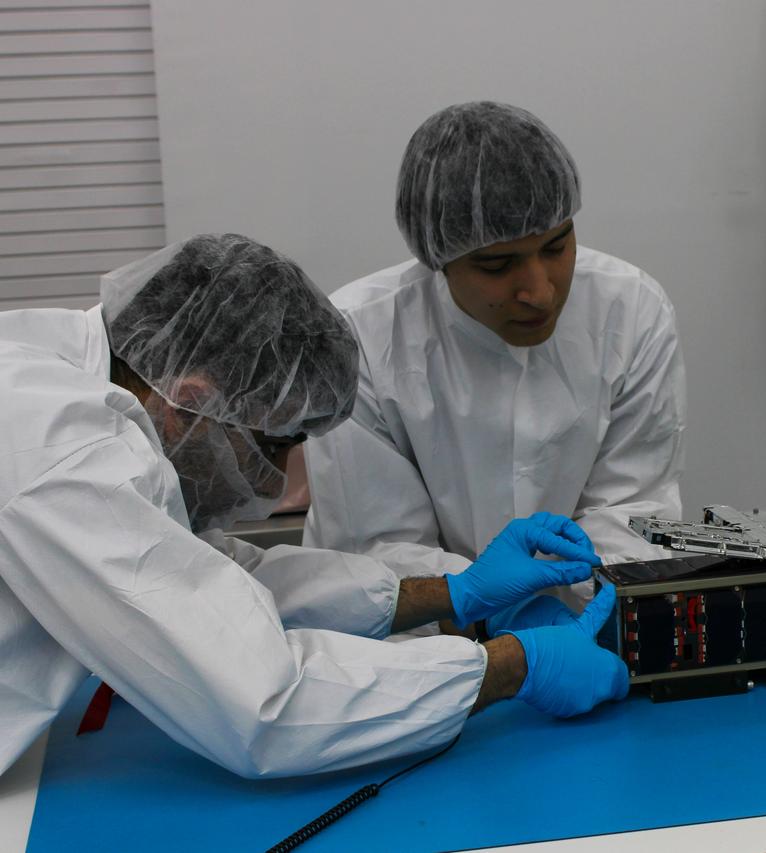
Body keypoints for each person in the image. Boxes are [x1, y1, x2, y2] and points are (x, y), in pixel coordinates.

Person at [0, 234, 627, 779]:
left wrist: (453, 592)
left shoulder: (72, 380)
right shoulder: (63, 452)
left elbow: (217, 582)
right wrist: (514, 665)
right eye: (274, 445)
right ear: (188, 400)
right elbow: (265, 707)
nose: (276, 484)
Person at [303, 102, 686, 607]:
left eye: (556, 247)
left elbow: (634, 511)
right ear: (437, 257)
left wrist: (582, 617)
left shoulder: (630, 309)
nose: (540, 292)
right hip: (420, 650)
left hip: (591, 629)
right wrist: (496, 623)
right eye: (497, 264)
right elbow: (378, 547)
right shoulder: (360, 337)